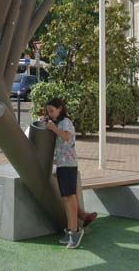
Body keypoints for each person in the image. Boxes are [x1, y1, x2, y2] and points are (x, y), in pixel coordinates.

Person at [42, 97, 96, 249]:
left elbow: (66, 137)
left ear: (60, 108)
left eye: (52, 110)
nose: (51, 114)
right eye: (49, 112)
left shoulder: (66, 122)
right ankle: (70, 230)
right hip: (62, 165)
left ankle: (75, 231)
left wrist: (53, 128)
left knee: (70, 198)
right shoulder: (59, 123)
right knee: (66, 199)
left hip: (69, 165)